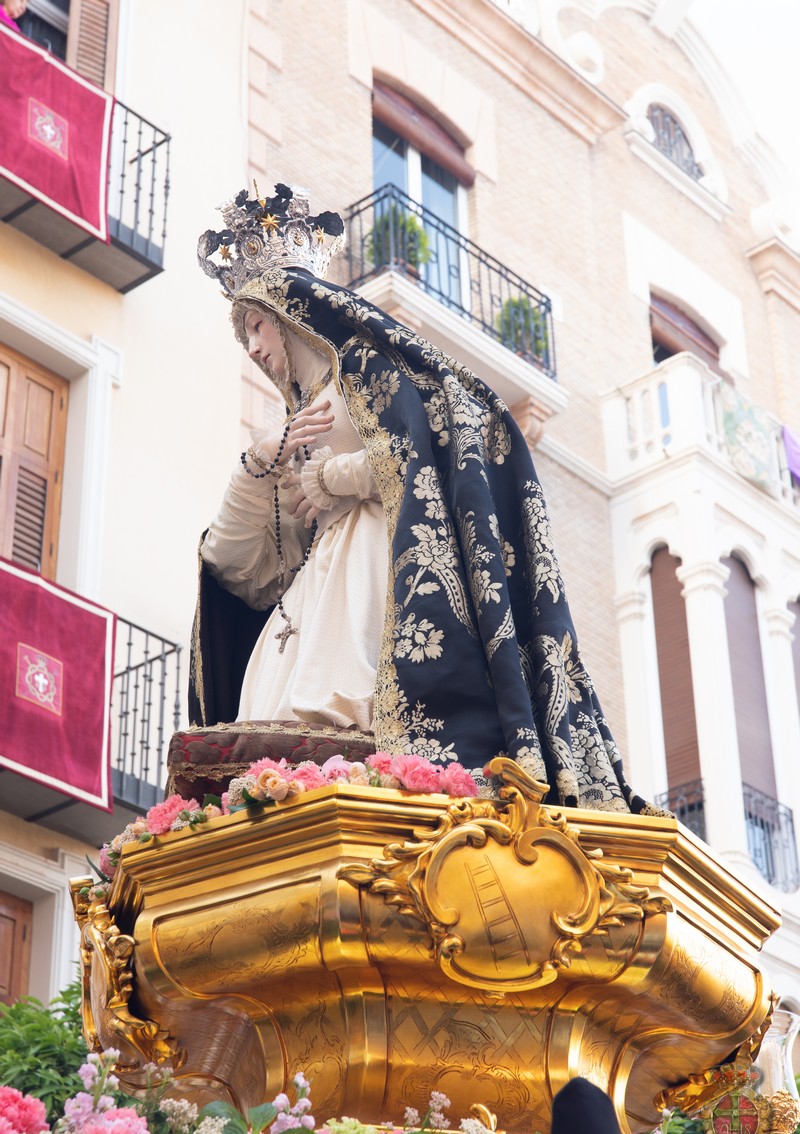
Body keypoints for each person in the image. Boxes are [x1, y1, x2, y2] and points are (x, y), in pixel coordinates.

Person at [192, 182, 662, 813]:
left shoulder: (363, 367)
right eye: (244, 335)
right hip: (317, 586)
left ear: (288, 311)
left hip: (377, 564)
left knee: (348, 708)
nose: (252, 348)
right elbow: (238, 564)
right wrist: (262, 461)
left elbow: (439, 447)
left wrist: (333, 478)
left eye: (255, 325)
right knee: (288, 725)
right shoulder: (291, 423)